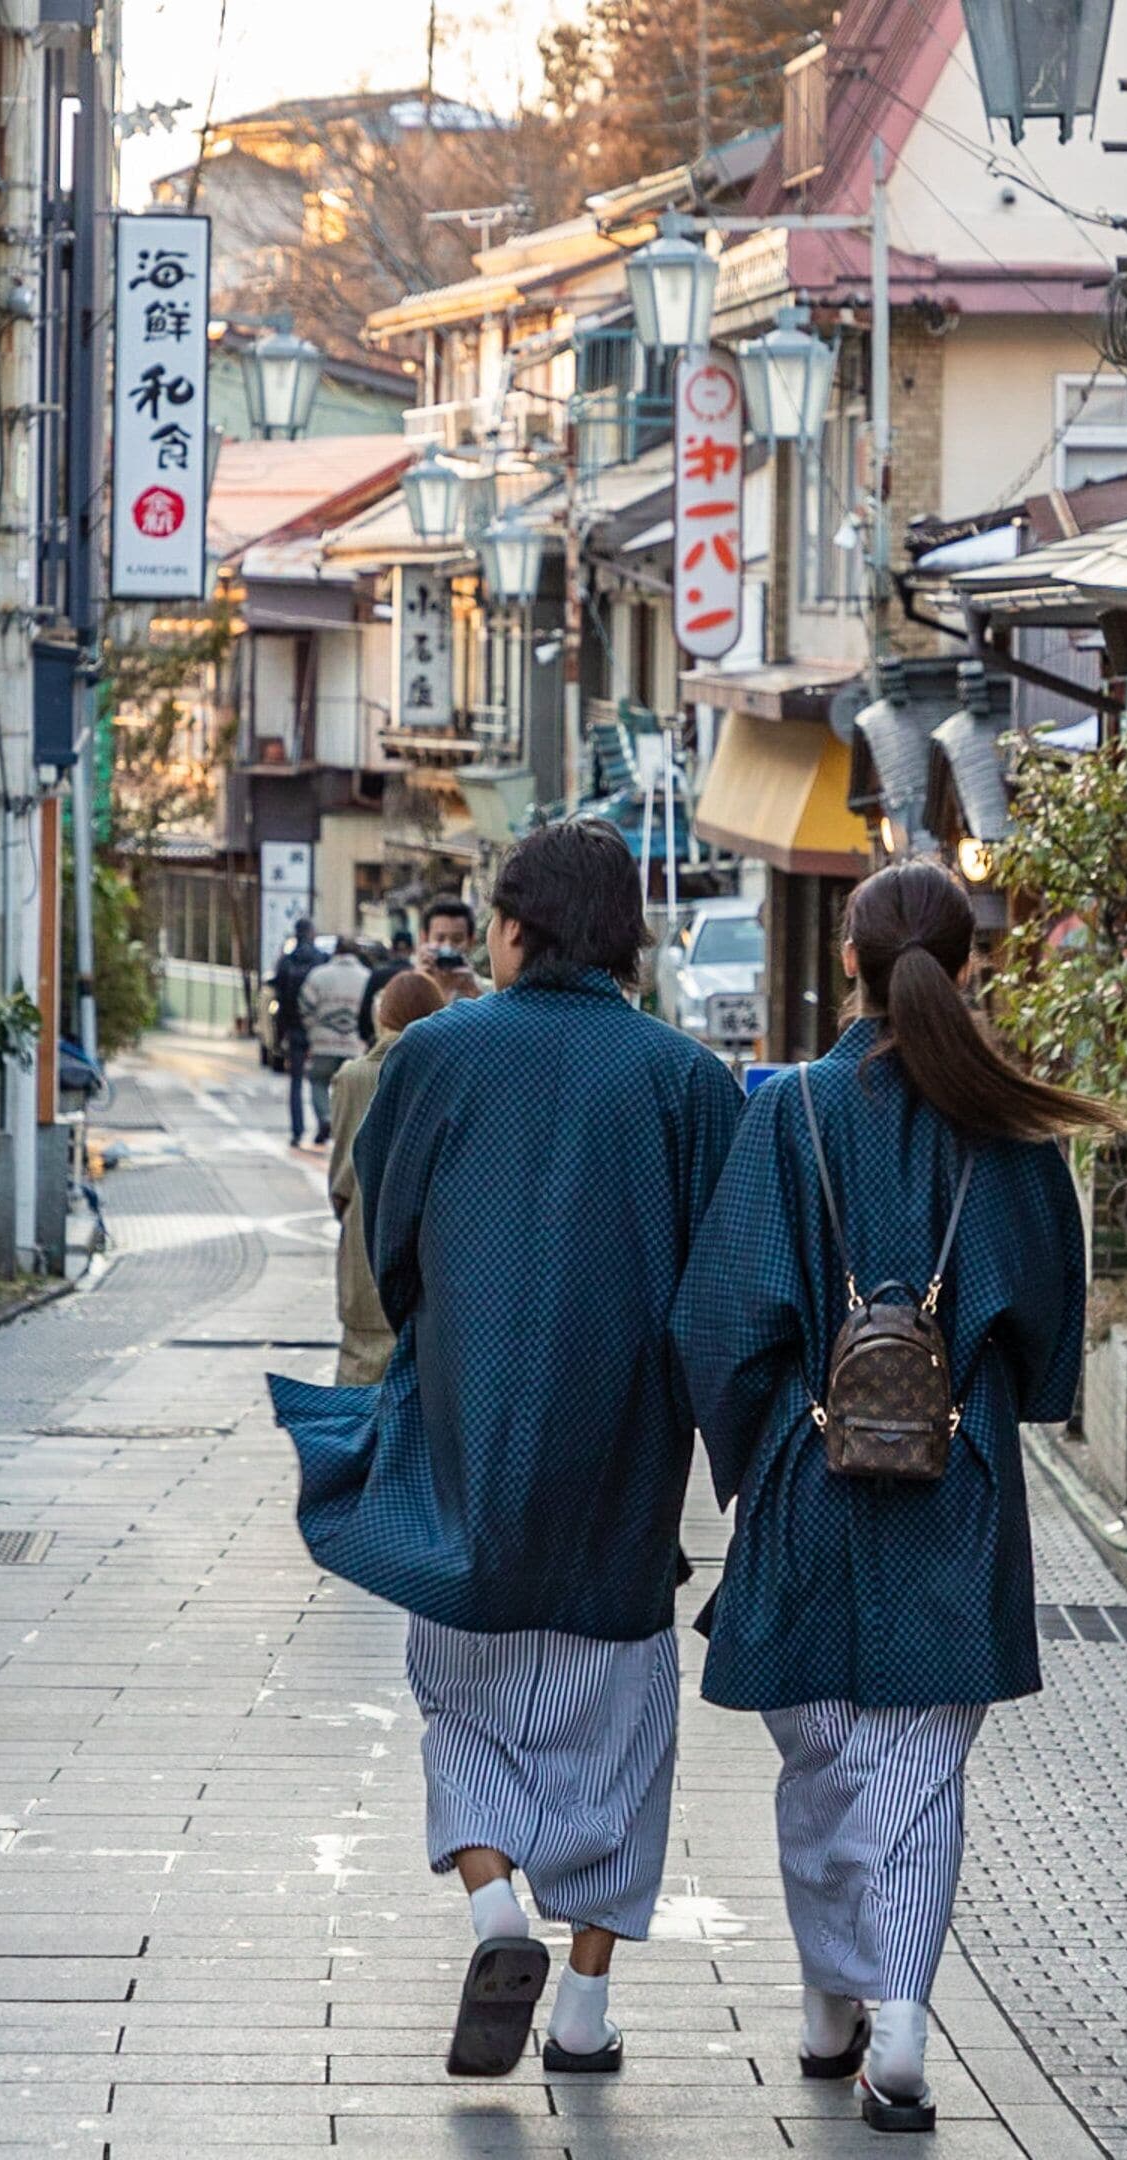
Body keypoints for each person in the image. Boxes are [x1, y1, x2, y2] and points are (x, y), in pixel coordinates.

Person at [271, 820, 748, 2081]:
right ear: (624, 935)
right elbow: (722, 1294)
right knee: (619, 1742)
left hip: (470, 1439)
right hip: (626, 1467)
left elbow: (392, 1243)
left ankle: (493, 1905)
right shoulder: (691, 1083)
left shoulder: (435, 1054)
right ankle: (583, 2011)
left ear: (518, 926)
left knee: (464, 1699)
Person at [668, 861, 1112, 2135]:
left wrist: (752, 1461)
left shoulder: (789, 1111)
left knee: (819, 1765)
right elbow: (1045, 1345)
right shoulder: (1009, 1134)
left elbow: (721, 1322)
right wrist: (979, 1392)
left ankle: (827, 2012)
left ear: (847, 966)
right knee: (919, 1770)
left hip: (807, 1479)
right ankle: (899, 2029)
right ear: (970, 966)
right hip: (957, 1489)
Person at [326, 968, 451, 1383]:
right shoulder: (446, 1076)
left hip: (365, 1250)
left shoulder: (351, 1078)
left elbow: (341, 1181)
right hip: (430, 1260)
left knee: (360, 1380)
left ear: (383, 1014)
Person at [296, 940, 372, 1157]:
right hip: (354, 1046)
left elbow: (304, 1005)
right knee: (348, 1089)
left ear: (336, 951)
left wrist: (313, 1029)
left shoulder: (319, 975)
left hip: (323, 1043)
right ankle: (345, 1130)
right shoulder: (366, 976)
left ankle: (326, 1118)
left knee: (318, 1081)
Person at [267, 920, 324, 1136]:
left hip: (294, 1028)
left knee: (296, 1083)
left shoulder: (286, 961)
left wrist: (280, 1033)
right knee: (322, 1079)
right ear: (311, 934)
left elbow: (278, 996)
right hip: (319, 1029)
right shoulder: (321, 960)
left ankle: (297, 1130)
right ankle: (323, 1122)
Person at [357, 927, 418, 1039]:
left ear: (392, 949)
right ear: (413, 949)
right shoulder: (418, 975)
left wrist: (367, 1036)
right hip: (411, 1041)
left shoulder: (378, 974)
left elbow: (365, 1010)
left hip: (380, 1041)